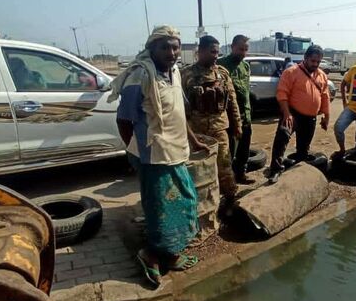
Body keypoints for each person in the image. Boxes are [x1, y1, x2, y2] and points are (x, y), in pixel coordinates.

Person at [109, 25, 207, 287]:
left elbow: (178, 111)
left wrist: (193, 140)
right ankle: (150, 255)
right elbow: (124, 119)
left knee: (184, 202)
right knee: (160, 209)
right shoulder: (139, 76)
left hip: (175, 152)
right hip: (152, 156)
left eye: (175, 46)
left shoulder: (174, 71)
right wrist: (136, 151)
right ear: (151, 48)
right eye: (165, 46)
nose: (172, 52)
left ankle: (170, 252)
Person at [181, 35, 242, 207]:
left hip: (219, 128)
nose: (215, 55)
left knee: (224, 165)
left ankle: (230, 199)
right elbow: (180, 106)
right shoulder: (186, 75)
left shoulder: (222, 73)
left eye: (217, 52)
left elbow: (232, 101)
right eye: (212, 52)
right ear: (199, 52)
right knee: (200, 170)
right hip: (196, 132)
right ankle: (202, 203)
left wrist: (237, 124)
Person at [268, 45, 330, 184]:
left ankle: (298, 173)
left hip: (310, 118)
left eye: (318, 62)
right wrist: (287, 113)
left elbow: (325, 96)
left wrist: (326, 116)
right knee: (282, 137)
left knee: (304, 147)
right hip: (292, 113)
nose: (315, 64)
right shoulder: (291, 72)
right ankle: (275, 170)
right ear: (305, 58)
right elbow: (282, 93)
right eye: (313, 61)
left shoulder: (322, 76)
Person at [217, 35, 255, 185]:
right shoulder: (220, 65)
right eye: (240, 49)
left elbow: (245, 91)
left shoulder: (245, 66)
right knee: (228, 152)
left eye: (246, 49)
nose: (243, 53)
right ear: (232, 47)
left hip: (245, 116)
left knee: (244, 150)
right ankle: (226, 182)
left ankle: (241, 174)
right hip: (229, 118)